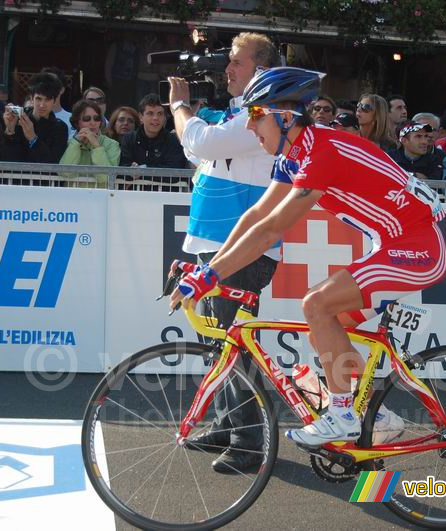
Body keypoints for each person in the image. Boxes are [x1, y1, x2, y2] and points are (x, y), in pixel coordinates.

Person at [170, 67, 445, 447]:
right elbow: (255, 217)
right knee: (323, 331)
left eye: (254, 116)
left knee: (316, 304)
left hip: (417, 248)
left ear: (284, 118)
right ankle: (374, 415)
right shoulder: (295, 153)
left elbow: (270, 231)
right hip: (392, 243)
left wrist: (208, 278)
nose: (249, 129)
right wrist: (211, 267)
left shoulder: (321, 153)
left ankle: (344, 415)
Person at [167, 32, 282, 471]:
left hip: (242, 248)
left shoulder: (263, 111)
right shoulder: (241, 111)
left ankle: (250, 441)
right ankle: (226, 423)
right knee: (217, 342)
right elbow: (199, 151)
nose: (226, 69)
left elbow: (201, 144)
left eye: (235, 61)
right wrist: (193, 121)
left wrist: (180, 105)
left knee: (236, 344)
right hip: (216, 243)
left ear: (262, 68)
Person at [1, 72, 68, 163]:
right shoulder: (17, 118)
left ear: (55, 101)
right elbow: (7, 159)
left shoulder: (60, 128)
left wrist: (33, 138)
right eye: (38, 99)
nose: (42, 105)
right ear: (32, 99)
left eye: (47, 99)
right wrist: (10, 131)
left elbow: (52, 163)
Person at [59, 100, 120, 186]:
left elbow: (105, 177)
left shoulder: (112, 145)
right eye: (86, 119)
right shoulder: (69, 143)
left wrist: (97, 146)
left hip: (100, 197)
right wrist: (76, 143)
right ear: (77, 122)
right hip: (72, 197)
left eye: (96, 118)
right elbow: (65, 173)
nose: (93, 123)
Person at [119, 93, 186, 170]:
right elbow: (122, 167)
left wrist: (142, 170)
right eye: (150, 113)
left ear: (165, 117)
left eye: (160, 114)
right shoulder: (129, 139)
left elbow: (174, 170)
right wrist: (131, 170)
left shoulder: (174, 140)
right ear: (141, 117)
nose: (155, 118)